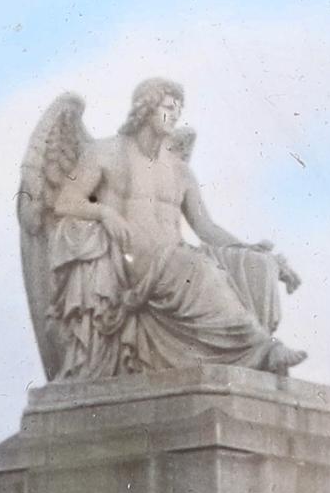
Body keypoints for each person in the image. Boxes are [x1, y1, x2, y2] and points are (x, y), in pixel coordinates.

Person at [22, 77, 306, 381]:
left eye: (178, 110)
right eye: (168, 108)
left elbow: (206, 227)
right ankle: (263, 349)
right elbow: (65, 202)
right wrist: (105, 213)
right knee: (197, 268)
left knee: (253, 265)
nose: (174, 116)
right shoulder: (106, 153)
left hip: (177, 259)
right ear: (146, 108)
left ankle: (255, 354)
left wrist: (251, 250)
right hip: (134, 265)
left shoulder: (180, 171)